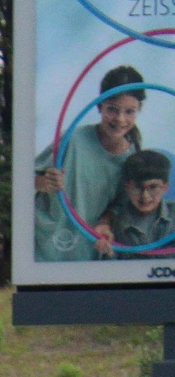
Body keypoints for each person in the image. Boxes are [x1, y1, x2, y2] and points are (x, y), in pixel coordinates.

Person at [36, 64, 146, 263]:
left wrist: (105, 222)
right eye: (113, 109)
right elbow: (26, 179)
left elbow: (120, 205)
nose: (120, 119)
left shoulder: (132, 160)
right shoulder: (73, 139)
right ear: (99, 106)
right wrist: (44, 182)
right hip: (46, 249)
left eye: (129, 111)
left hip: (87, 252)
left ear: (139, 110)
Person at [99, 150, 175, 255]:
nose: (145, 196)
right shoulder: (114, 224)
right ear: (126, 187)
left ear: (165, 187)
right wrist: (105, 251)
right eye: (137, 187)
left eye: (153, 187)